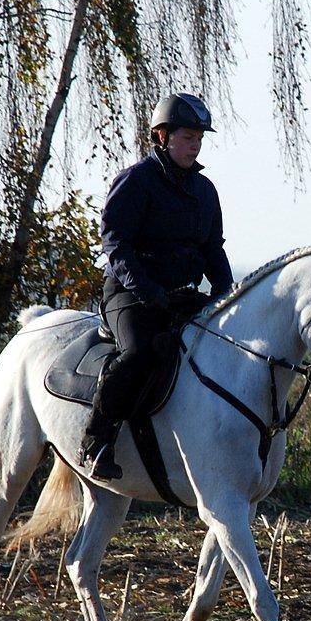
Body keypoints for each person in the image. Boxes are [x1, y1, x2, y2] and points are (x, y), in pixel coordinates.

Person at [76, 92, 234, 480]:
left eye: (199, 137)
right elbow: (116, 244)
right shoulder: (135, 181)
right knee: (141, 352)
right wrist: (149, 291)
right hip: (131, 294)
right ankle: (96, 441)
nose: (194, 144)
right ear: (162, 137)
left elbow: (213, 249)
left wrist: (228, 295)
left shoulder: (206, 191)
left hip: (181, 297)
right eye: (187, 136)